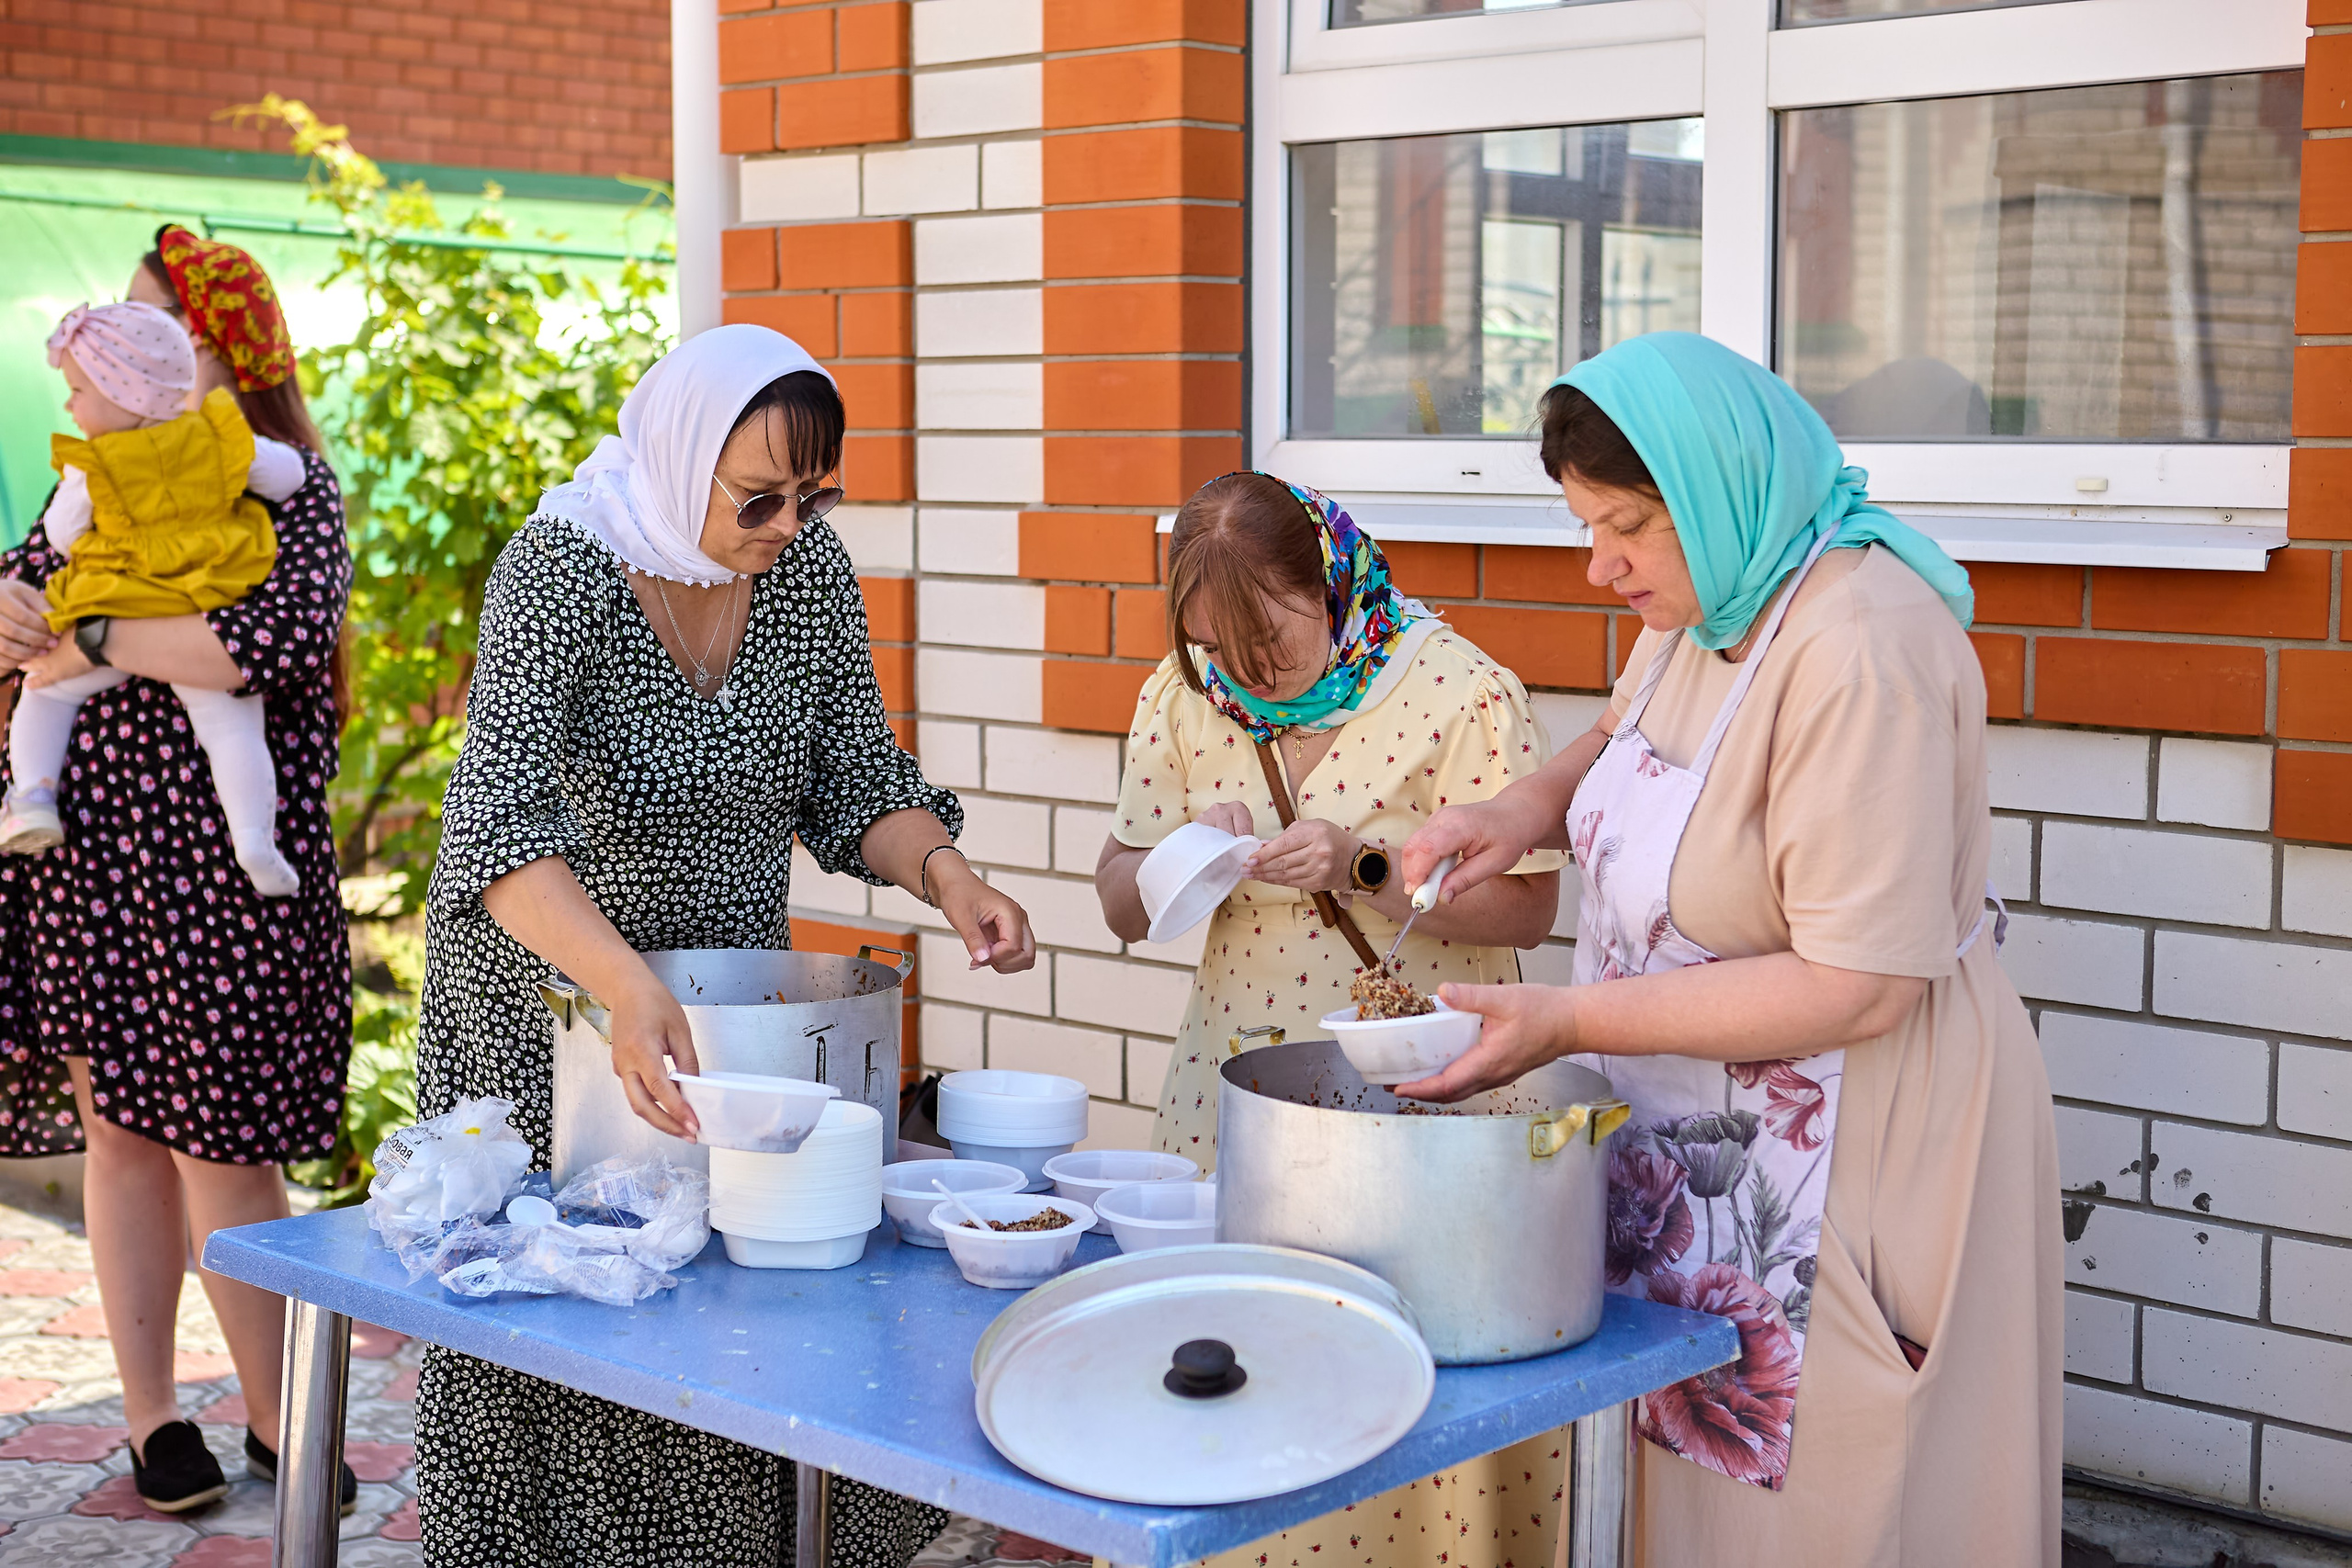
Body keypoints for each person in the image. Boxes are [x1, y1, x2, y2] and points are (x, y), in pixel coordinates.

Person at [1397, 333, 2060, 1566]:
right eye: (1585, 525)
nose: (1600, 567)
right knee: (1685, 1484)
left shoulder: (1862, 644)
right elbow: (1615, 737)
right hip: (1696, 1118)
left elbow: (1856, 983)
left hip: (1858, 1146)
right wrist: (1516, 810)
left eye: (1627, 528)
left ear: (1714, 485)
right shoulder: (1717, 592)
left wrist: (1566, 1022)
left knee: (1828, 1496)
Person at [415, 322, 1036, 1566]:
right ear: (679, 455)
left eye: (818, 495)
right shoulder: (563, 573)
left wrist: (950, 874)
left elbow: (858, 777)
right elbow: (495, 831)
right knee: (587, 1322)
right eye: (761, 497)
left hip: (720, 1006)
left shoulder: (806, 580)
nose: (790, 524)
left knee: (735, 1306)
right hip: (554, 1002)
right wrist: (622, 988)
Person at [1094, 470, 1569, 1568]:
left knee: (1401, 1383)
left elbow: (1531, 910)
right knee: (1228, 1384)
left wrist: (1366, 865)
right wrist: (1180, 860)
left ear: (1331, 584)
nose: (1248, 675)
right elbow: (1118, 901)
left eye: (1268, 642)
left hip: (1415, 1110)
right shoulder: (1183, 693)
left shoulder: (1461, 691)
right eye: (1219, 647)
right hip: (1228, 1100)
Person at [0, 228, 354, 1514]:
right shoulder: (95, 473)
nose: (131, 346)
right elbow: (23, 604)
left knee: (227, 1145)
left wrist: (87, 627)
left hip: (229, 873)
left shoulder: (289, 487)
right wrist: (15, 611)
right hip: (87, 850)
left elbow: (247, 647)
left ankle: (275, 1414)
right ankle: (154, 1416)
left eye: (159, 325)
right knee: (120, 1134)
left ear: (220, 353)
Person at [3, 299, 308, 897]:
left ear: (124, 392)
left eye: (77, 390)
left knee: (45, 691)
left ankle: (33, 795)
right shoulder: (217, 436)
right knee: (233, 725)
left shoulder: (94, 465)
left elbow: (62, 536)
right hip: (199, 605)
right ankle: (255, 840)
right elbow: (287, 476)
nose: (69, 404)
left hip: (117, 603)